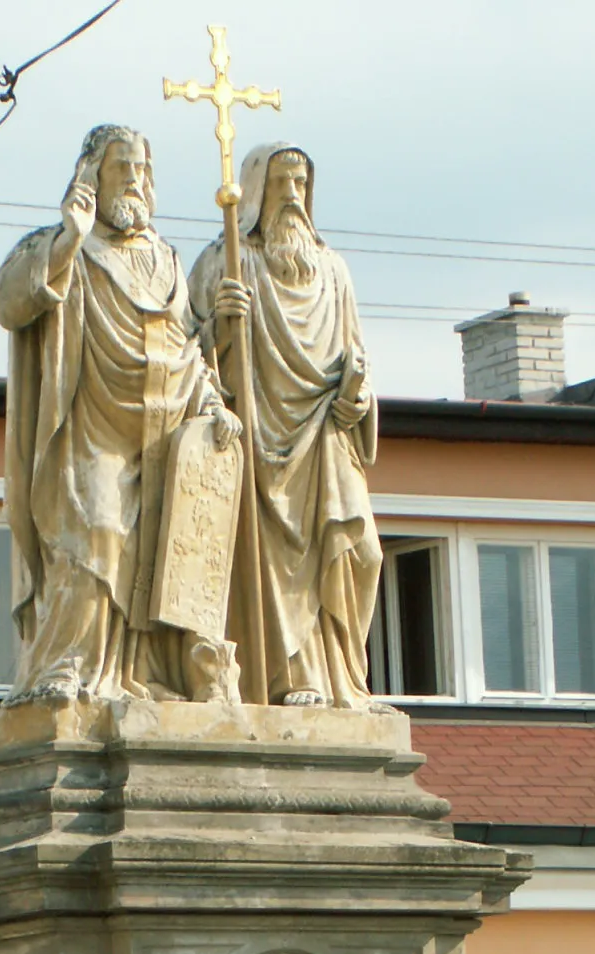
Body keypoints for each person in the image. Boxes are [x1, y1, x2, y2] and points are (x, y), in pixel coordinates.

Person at [0, 125, 243, 702]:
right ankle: (67, 664)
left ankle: (146, 674)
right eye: (120, 168)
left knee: (159, 554)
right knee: (97, 534)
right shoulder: (66, 246)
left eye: (140, 169)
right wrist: (68, 238)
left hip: (163, 437)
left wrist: (212, 402)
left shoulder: (167, 261)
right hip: (92, 432)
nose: (133, 180)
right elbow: (10, 299)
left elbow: (186, 349)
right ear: (91, 177)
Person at [189, 143, 384, 710]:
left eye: (301, 183)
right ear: (255, 192)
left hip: (325, 440)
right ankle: (290, 677)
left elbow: (357, 357)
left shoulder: (334, 271)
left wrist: (357, 397)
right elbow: (188, 361)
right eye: (281, 183)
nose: (293, 196)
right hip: (259, 439)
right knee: (274, 561)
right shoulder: (227, 262)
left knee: (361, 552)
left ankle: (344, 676)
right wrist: (220, 327)